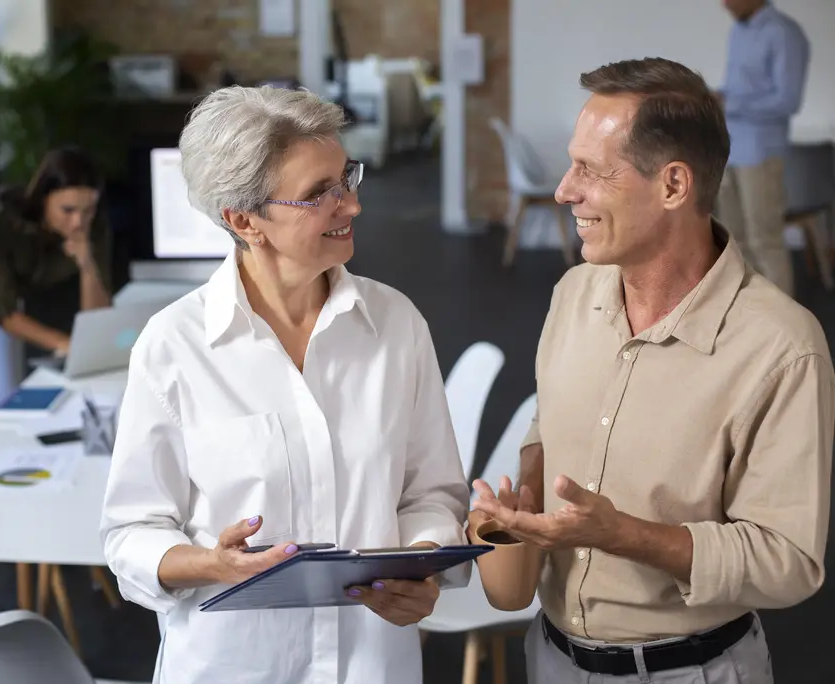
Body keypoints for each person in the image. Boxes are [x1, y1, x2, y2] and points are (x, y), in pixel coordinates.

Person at [470, 57, 833, 684]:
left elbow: (788, 560)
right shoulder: (572, 293)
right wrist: (528, 489)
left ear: (672, 186)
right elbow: (548, 417)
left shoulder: (782, 347)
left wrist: (624, 534)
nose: (563, 190)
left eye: (590, 169)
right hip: (549, 658)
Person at [100, 85, 469, 684]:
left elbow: (431, 494)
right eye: (318, 194)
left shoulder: (396, 324)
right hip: (234, 668)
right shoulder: (174, 347)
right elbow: (131, 532)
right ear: (245, 221)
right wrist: (209, 564)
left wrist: (422, 564)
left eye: (346, 179)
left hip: (372, 666)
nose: (349, 205)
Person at [0, 146, 113, 409]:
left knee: (5, 397)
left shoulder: (92, 226)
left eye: (88, 210)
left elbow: (97, 318)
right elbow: (5, 311)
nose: (78, 222)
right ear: (44, 199)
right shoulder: (5, 221)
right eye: (68, 210)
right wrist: (67, 344)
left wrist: (87, 264)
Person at [714, 0, 809, 297]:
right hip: (729, 149)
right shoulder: (737, 32)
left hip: (761, 154)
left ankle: (785, 331)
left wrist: (731, 104)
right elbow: (741, 89)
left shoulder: (784, 32)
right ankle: (753, 318)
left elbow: (788, 100)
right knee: (734, 241)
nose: (724, 4)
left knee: (765, 241)